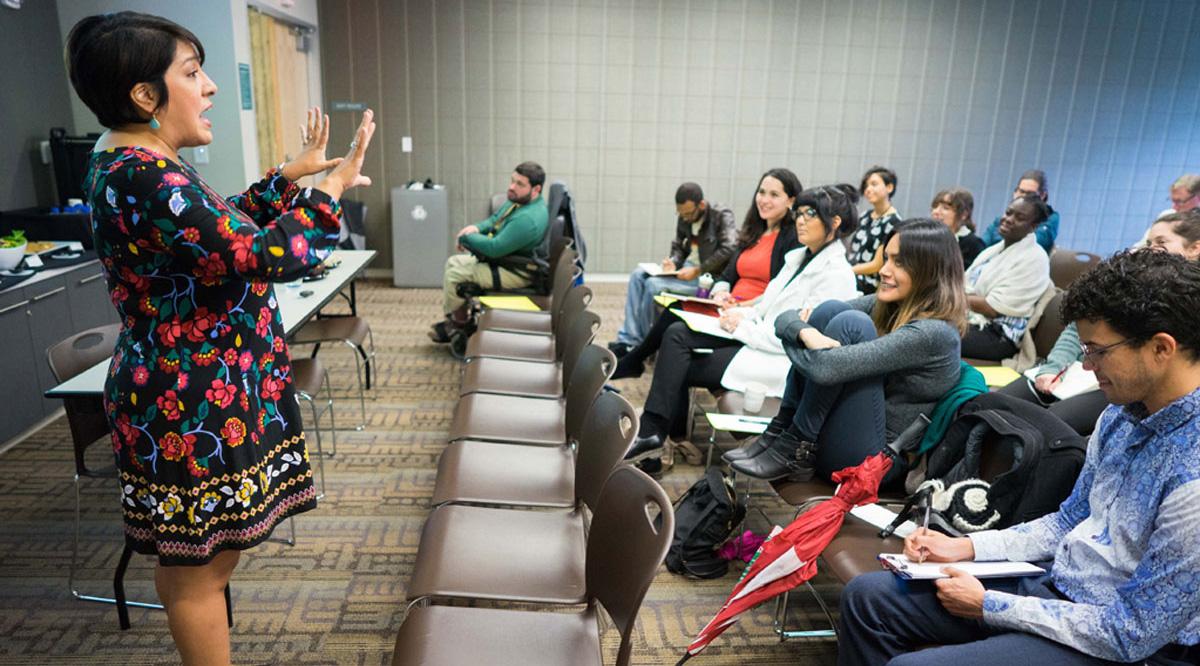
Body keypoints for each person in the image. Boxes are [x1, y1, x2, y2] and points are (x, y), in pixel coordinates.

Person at [67, 12, 376, 666]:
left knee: (206, 560)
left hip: (203, 396)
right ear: (144, 96)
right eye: (192, 73)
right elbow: (258, 256)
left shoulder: (140, 162)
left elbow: (216, 231)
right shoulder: (141, 172)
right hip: (189, 403)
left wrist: (285, 179)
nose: (209, 88)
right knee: (198, 570)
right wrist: (329, 193)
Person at [837, 249, 1200, 666]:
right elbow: (1068, 520)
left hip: (1127, 643)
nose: (1085, 363)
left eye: (1098, 350)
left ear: (1161, 348)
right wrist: (968, 546)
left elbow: (1132, 632)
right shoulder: (1121, 415)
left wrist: (992, 605)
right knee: (869, 599)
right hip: (1065, 587)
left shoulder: (1192, 479)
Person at [622, 183, 859, 476]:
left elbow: (794, 337)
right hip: (755, 340)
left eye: (810, 214)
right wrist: (738, 314)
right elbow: (768, 305)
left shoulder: (837, 275)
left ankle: (654, 433)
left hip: (778, 363)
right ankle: (655, 434)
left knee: (676, 354)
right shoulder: (799, 258)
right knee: (676, 334)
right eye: (799, 213)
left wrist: (741, 326)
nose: (800, 220)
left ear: (834, 222)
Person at [728, 219, 966, 487]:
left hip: (879, 461)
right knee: (830, 309)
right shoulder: (892, 305)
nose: (884, 270)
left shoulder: (933, 334)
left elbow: (823, 369)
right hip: (850, 436)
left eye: (899, 263)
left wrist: (795, 340)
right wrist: (804, 333)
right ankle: (782, 431)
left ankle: (795, 442)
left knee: (851, 324)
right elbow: (785, 318)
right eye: (886, 258)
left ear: (929, 271)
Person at [998, 209, 1200, 436]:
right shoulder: (1132, 280)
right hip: (1083, 373)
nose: (1151, 249)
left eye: (1161, 242)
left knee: (1047, 426)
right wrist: (1055, 366)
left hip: (1128, 383)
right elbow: (1078, 330)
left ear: (1195, 248)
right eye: (1149, 242)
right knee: (994, 405)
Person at [611, 169, 802, 380]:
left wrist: (738, 304)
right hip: (726, 302)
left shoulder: (791, 239)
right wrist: (719, 292)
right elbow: (727, 275)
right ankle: (633, 352)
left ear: (791, 201)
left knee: (673, 326)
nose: (764, 200)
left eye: (774, 195)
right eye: (762, 192)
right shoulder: (753, 232)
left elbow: (779, 291)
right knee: (668, 304)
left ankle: (634, 359)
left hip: (746, 312)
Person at [609, 182, 737, 356]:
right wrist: (673, 262)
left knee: (653, 285)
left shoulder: (721, 215)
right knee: (638, 275)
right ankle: (628, 339)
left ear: (701, 205)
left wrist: (698, 270)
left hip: (706, 279)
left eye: (688, 213)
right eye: (680, 214)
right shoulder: (685, 216)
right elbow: (678, 246)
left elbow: (729, 248)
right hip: (685, 271)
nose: (684, 218)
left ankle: (644, 347)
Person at [428, 162, 549, 342]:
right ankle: (461, 319)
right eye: (512, 181)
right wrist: (475, 229)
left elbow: (494, 248)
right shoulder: (517, 202)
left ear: (536, 189)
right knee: (453, 262)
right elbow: (494, 220)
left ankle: (458, 326)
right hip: (507, 261)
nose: (511, 187)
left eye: (519, 184)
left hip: (518, 271)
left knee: (455, 274)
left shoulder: (528, 218)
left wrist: (466, 239)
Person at [962, 195, 1052, 361]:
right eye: (1008, 213)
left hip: (998, 336)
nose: (1009, 219)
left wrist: (951, 298)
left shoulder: (1035, 259)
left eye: (1019, 218)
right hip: (972, 320)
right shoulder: (994, 250)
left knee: (933, 336)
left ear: (1033, 226)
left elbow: (992, 308)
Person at [847, 166, 902, 294]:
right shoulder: (865, 216)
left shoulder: (894, 222)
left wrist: (846, 271)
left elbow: (877, 265)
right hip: (852, 274)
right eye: (866, 186)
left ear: (889, 187)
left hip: (869, 283)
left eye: (874, 184)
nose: (868, 190)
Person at [979, 170, 1059, 253]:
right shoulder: (1003, 218)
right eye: (1021, 191)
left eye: (1030, 193)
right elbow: (982, 245)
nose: (1023, 197)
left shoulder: (1051, 218)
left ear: (1042, 195)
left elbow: (1031, 244)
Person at [930, 187, 985, 269]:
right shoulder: (928, 238)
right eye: (935, 207)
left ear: (963, 214)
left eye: (945, 208)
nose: (936, 212)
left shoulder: (973, 244)